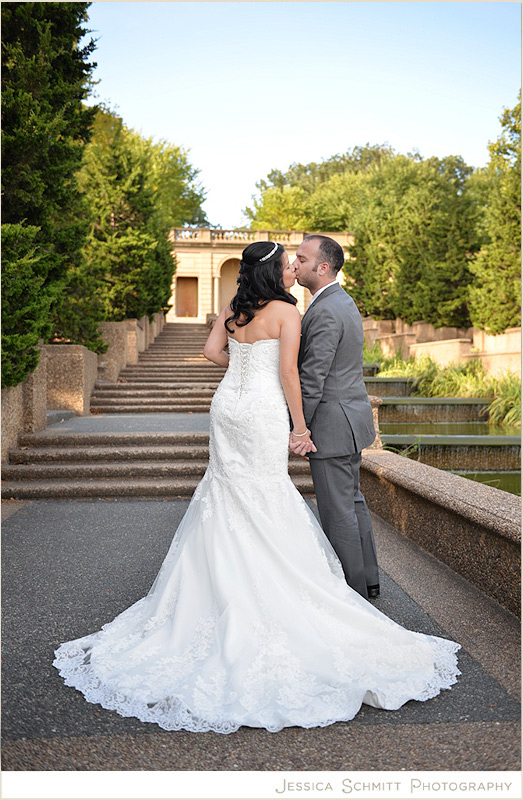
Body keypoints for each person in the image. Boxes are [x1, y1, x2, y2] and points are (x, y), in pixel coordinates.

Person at [53, 241, 460, 734]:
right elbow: (291, 372)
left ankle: (215, 592)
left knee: (223, 494)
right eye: (289, 264)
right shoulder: (286, 313)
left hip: (228, 409)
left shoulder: (234, 307)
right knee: (265, 492)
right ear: (275, 272)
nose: (294, 268)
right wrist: (300, 427)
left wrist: (242, 374)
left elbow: (210, 352)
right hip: (265, 411)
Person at [291, 234, 379, 600]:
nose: (295, 264)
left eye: (301, 258)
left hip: (332, 426)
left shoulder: (326, 309)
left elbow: (314, 378)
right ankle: (368, 580)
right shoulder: (340, 301)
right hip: (349, 421)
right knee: (352, 503)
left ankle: (352, 595)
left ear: (322, 267)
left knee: (337, 511)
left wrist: (298, 429)